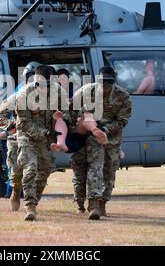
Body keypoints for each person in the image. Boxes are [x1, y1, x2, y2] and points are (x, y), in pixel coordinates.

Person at [71, 66, 132, 218]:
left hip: (111, 140)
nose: (105, 86)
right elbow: (71, 111)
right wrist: (82, 126)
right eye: (102, 82)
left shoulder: (122, 96)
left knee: (109, 174)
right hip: (89, 139)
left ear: (114, 80)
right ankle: (92, 204)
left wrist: (104, 130)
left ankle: (102, 202)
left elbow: (122, 120)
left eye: (109, 82)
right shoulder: (86, 92)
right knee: (93, 169)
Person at [15, 65, 68, 221]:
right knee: (30, 168)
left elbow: (67, 115)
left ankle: (34, 200)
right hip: (27, 135)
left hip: (47, 138)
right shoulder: (25, 94)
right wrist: (44, 133)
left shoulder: (59, 93)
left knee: (44, 172)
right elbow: (24, 123)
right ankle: (30, 206)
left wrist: (61, 118)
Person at [0, 68, 35, 210]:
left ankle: (30, 204)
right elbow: (0, 117)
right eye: (31, 81)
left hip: (34, 141)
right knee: (15, 172)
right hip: (15, 140)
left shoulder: (45, 100)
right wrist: (8, 128)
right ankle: (14, 191)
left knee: (32, 171)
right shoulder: (15, 98)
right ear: (25, 82)